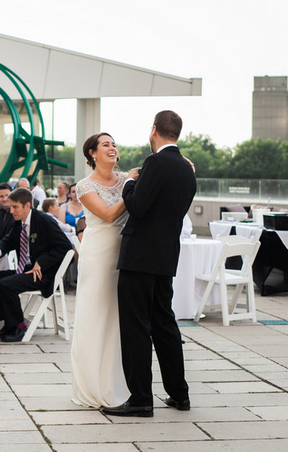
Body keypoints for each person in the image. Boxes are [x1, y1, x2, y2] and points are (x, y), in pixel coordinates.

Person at [102, 110, 196, 418]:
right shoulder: (187, 168)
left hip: (140, 256)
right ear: (177, 134)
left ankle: (141, 398)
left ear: (153, 130)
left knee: (136, 327)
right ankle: (179, 394)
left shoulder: (154, 163)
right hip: (166, 256)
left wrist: (130, 182)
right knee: (164, 324)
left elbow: (139, 206)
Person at [69, 132, 131, 409]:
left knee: (120, 319)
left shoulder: (127, 181)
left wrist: (132, 184)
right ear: (92, 154)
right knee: (97, 316)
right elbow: (107, 215)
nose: (112, 147)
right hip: (97, 255)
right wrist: (133, 189)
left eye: (114, 144)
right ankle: (95, 384)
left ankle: (121, 381)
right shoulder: (85, 185)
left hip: (127, 253)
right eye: (105, 144)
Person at [0, 188, 73, 342]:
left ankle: (19, 327)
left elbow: (65, 247)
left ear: (27, 205)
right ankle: (8, 324)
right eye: (11, 207)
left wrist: (42, 262)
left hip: (42, 273)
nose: (11, 210)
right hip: (25, 269)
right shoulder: (19, 222)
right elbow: (8, 240)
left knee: (6, 284)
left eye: (15, 207)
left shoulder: (44, 220)